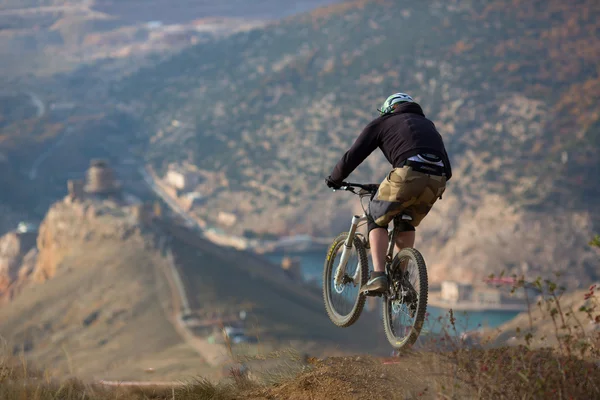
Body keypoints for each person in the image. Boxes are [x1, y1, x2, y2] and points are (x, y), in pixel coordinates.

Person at [325, 92, 452, 293]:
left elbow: (354, 154)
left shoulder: (383, 122)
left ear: (388, 109)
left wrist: (335, 179)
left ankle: (378, 276)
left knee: (376, 217)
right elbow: (447, 167)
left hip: (406, 174)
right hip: (438, 180)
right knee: (406, 221)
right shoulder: (429, 125)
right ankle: (401, 280)